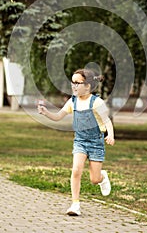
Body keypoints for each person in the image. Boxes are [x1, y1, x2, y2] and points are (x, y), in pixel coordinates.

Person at [37, 68, 115, 216]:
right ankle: (75, 205)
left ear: (87, 86)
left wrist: (110, 134)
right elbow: (58, 116)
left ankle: (102, 177)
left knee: (94, 179)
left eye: (77, 83)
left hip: (96, 142)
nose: (74, 86)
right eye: (72, 82)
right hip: (80, 141)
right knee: (76, 170)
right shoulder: (72, 102)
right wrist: (46, 112)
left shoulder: (97, 102)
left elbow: (107, 120)